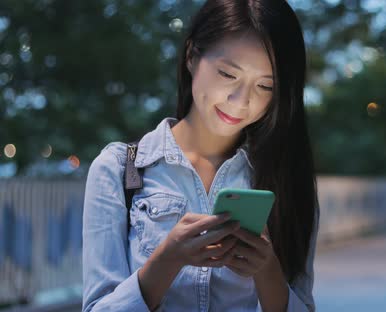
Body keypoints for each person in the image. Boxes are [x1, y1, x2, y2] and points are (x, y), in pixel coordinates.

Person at [81, 0, 319, 311]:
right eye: (227, 74)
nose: (241, 100)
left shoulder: (285, 179)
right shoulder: (119, 170)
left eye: (265, 86)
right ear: (192, 56)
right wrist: (167, 259)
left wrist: (266, 269)